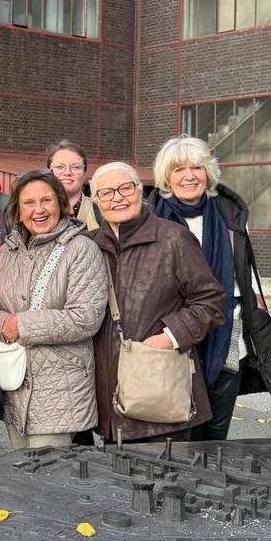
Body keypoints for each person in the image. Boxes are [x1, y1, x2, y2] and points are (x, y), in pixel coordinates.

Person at [150, 135, 271, 440]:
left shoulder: (229, 214)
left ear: (208, 171)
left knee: (215, 439)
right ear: (166, 177)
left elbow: (245, 274)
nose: (189, 175)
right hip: (173, 341)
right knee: (177, 438)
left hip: (227, 338)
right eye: (179, 169)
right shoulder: (151, 219)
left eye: (196, 167)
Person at [89, 162, 226, 443]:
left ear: (141, 191)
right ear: (95, 201)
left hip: (161, 394)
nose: (118, 198)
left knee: (167, 484)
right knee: (115, 486)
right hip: (109, 403)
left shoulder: (173, 238)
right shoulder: (89, 245)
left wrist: (171, 336)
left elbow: (211, 300)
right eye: (106, 193)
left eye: (126, 188)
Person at [0, 170, 107, 448]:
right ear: (18, 209)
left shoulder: (80, 249)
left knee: (49, 478)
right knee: (22, 474)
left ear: (60, 203)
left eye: (47, 201)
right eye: (29, 203)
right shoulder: (8, 251)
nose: (38, 210)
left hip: (60, 389)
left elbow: (85, 318)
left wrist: (22, 326)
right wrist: (1, 323)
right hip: (16, 386)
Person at [47, 139, 99, 231]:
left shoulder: (100, 212)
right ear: (48, 172)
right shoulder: (35, 212)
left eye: (75, 167)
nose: (67, 172)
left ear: (84, 173)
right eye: (60, 167)